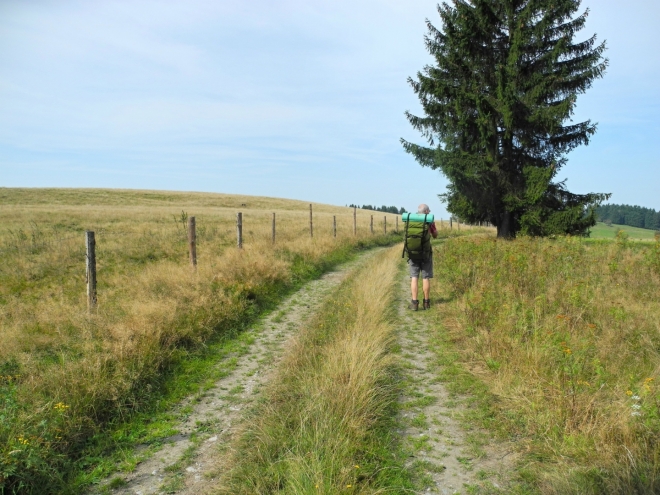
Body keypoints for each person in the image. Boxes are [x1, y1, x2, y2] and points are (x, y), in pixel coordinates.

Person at [407, 204, 437, 311]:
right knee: (425, 277)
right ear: (426, 211)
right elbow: (435, 235)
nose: (430, 211)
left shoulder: (411, 220)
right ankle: (426, 303)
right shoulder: (429, 221)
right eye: (428, 210)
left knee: (414, 277)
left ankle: (414, 303)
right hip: (426, 253)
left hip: (413, 252)